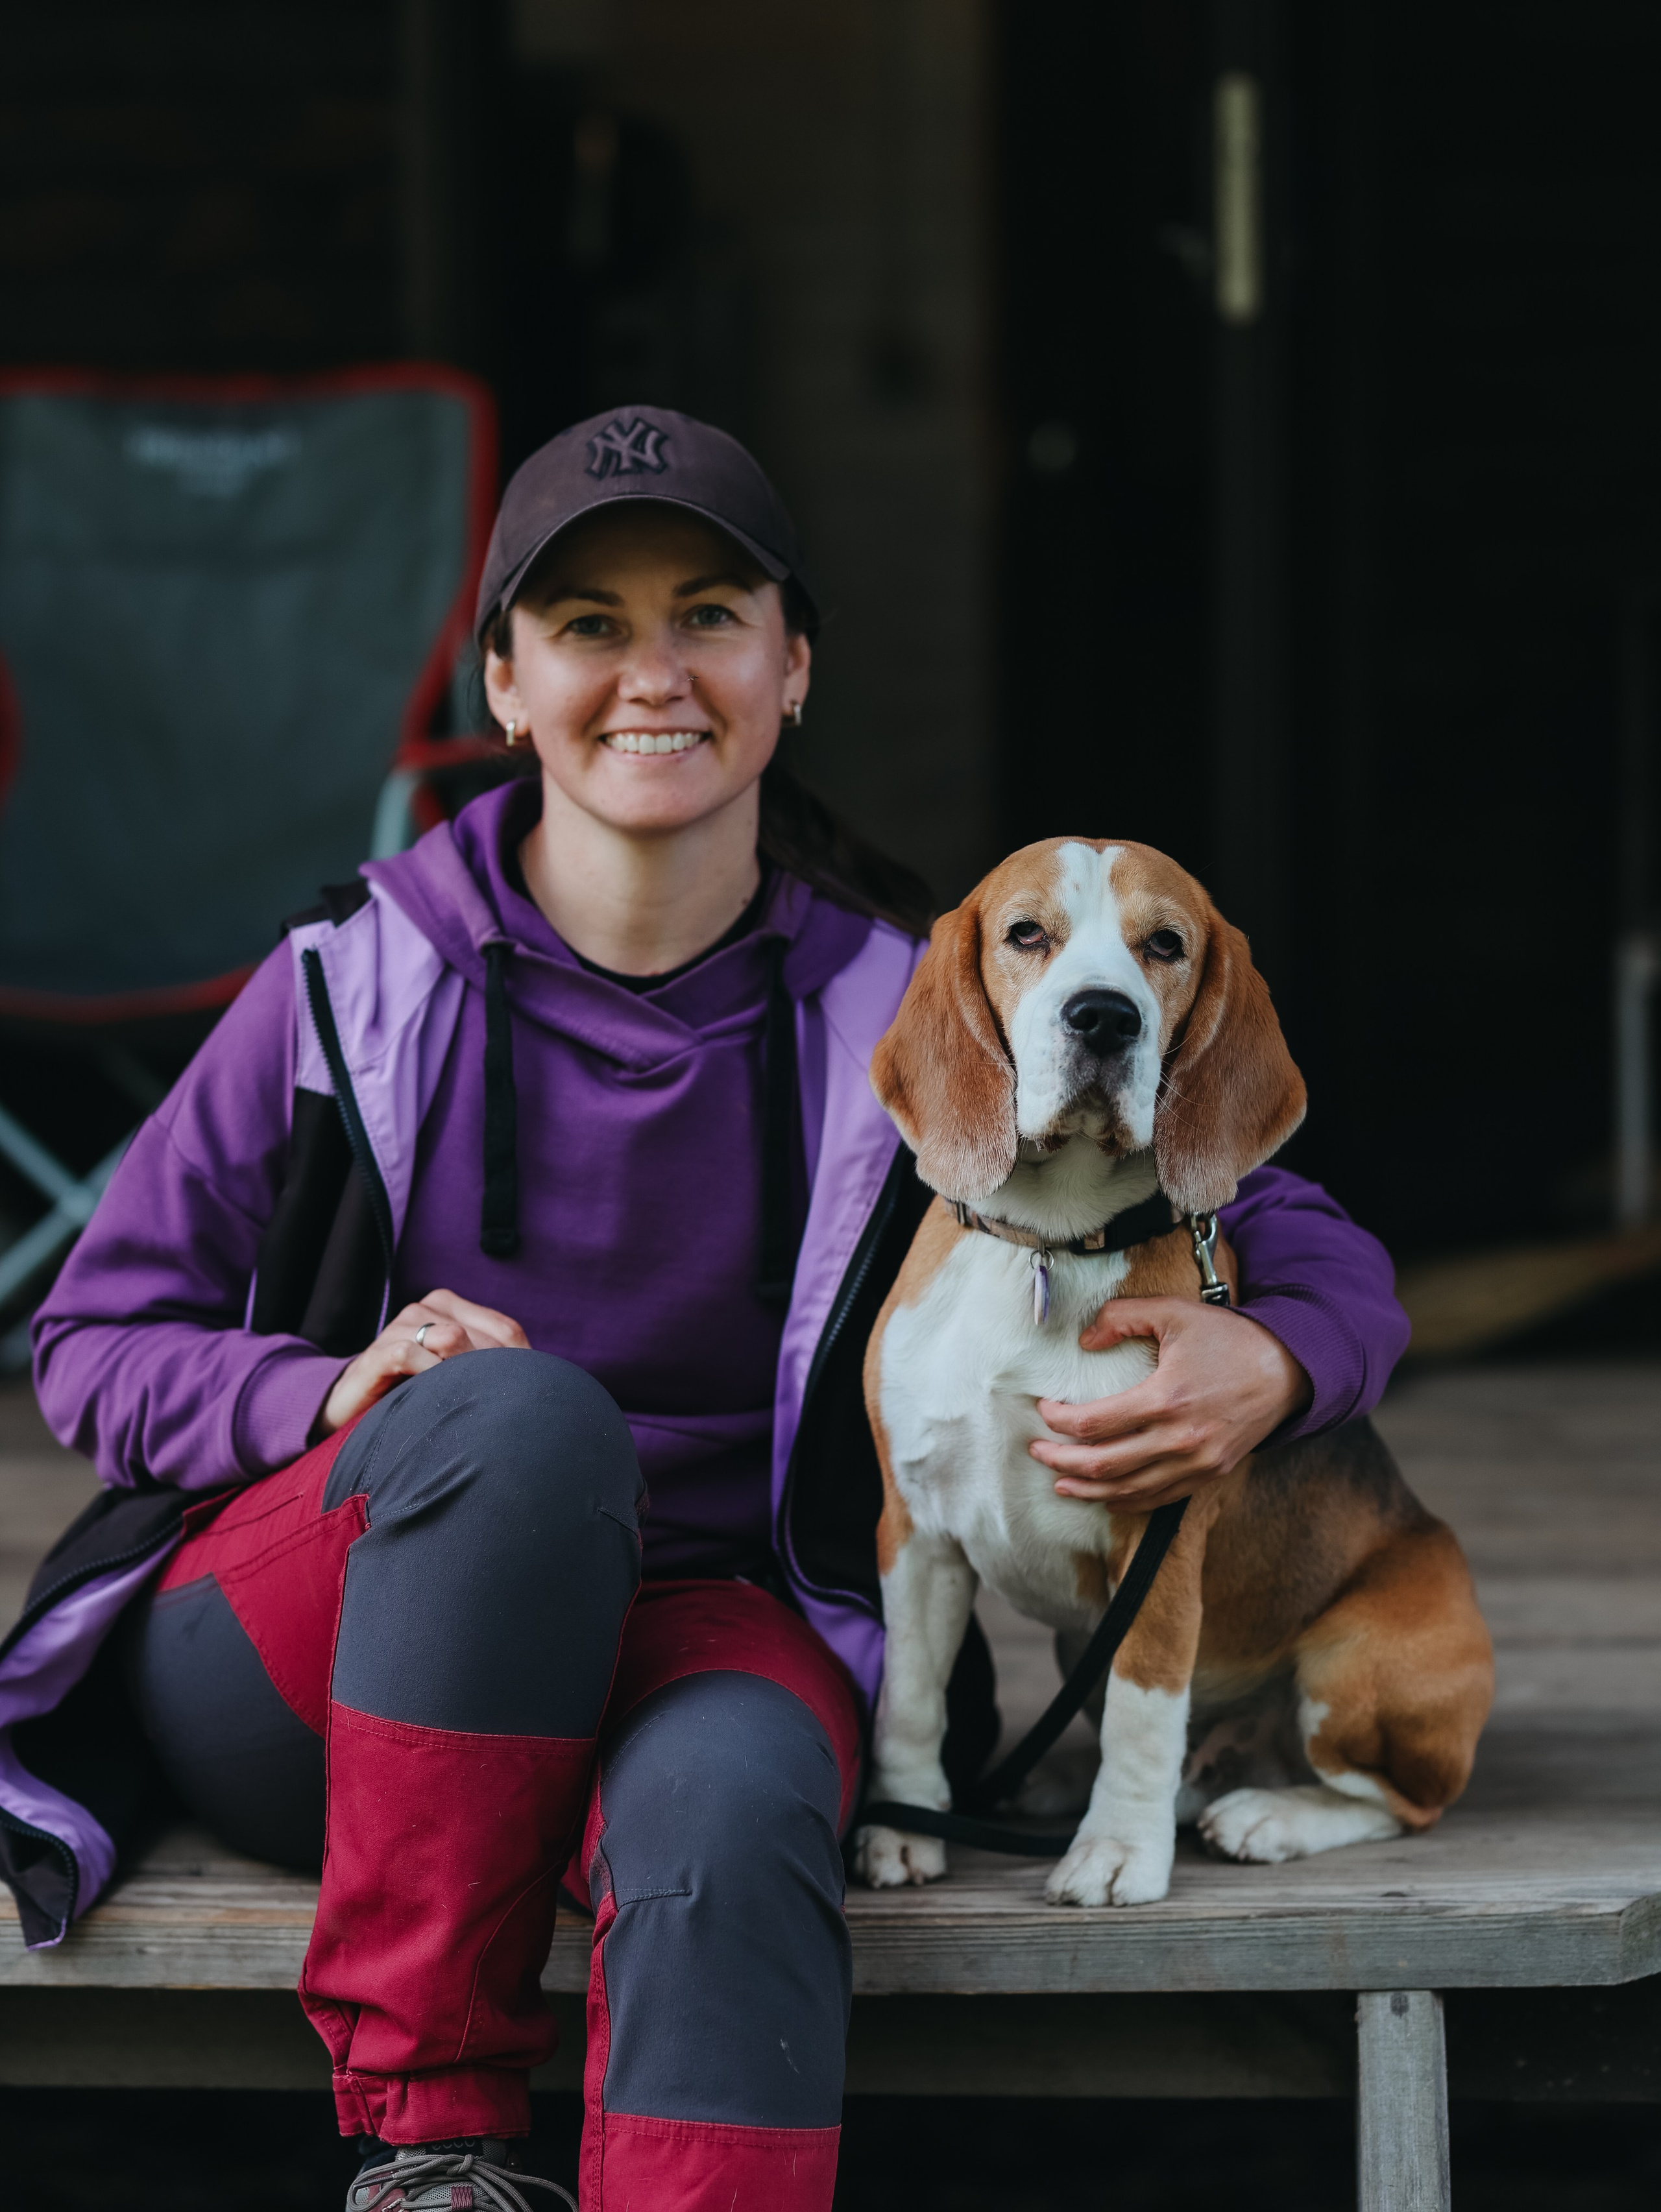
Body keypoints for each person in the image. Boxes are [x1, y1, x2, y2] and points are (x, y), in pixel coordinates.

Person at [19, 405, 1409, 2211]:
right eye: (589, 624)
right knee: (526, 1421)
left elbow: (1300, 1229)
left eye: (709, 615)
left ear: (791, 666)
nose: (652, 671)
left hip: (710, 1621)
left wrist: (1281, 1353)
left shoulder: (904, 1021)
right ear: (503, 682)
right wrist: (321, 1387)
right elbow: (90, 1336)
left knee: (751, 1806)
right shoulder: (348, 981)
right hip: (333, 1652)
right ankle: (429, 2147)